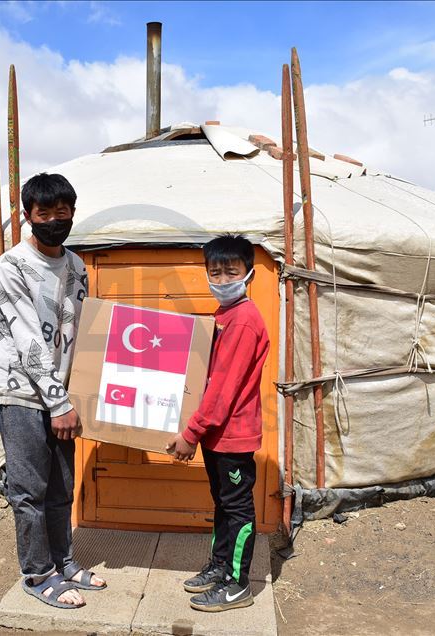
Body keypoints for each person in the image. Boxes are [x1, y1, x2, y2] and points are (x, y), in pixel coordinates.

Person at [0, 173, 106, 609]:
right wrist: (58, 403)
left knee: (61, 487)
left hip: (64, 397)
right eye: (44, 213)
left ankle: (63, 562)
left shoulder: (77, 267)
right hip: (22, 393)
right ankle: (38, 574)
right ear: (28, 216)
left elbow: (82, 331)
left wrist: (78, 393)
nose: (55, 220)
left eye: (63, 212)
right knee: (29, 490)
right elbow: (27, 339)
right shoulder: (11, 266)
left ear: (73, 213)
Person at [166, 234, 270, 612]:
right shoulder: (224, 315)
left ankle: (237, 585)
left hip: (233, 435)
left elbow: (223, 390)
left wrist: (191, 433)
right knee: (224, 504)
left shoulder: (242, 321)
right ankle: (220, 566)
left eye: (231, 272)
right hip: (217, 434)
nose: (223, 280)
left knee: (237, 509)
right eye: (215, 272)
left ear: (249, 274)